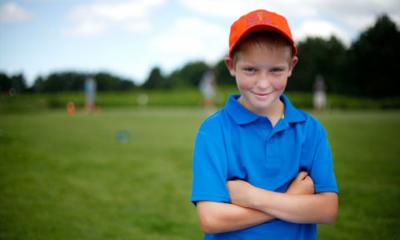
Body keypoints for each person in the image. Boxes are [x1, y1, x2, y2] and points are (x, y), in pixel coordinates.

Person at [191, 9, 338, 240]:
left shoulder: (310, 130)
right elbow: (211, 219)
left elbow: (327, 210)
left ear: (291, 66)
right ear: (231, 66)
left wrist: (252, 197)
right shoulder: (213, 131)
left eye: (276, 70)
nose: (262, 83)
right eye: (250, 69)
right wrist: (292, 200)